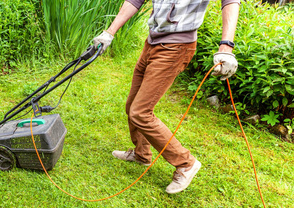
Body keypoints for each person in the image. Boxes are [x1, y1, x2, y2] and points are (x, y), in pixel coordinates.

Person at [93, 0, 240, 194]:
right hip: (152, 42)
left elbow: (230, 1)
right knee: (132, 106)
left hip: (176, 48)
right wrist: (109, 32)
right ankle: (142, 154)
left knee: (141, 113)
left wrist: (226, 46)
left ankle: (186, 163)